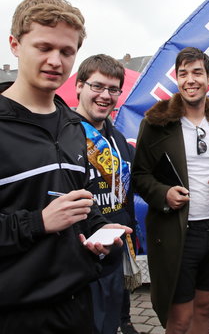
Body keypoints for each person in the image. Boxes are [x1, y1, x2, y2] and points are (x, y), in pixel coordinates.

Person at [0, 0, 130, 334]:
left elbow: (83, 204)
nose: (56, 61)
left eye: (67, 52)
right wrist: (38, 222)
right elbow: (44, 219)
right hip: (14, 314)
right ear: (15, 45)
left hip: (76, 307)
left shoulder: (74, 127)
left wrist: (103, 236)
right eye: (43, 47)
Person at [132, 47, 209, 333]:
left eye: (197, 73)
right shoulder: (156, 124)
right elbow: (140, 176)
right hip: (177, 234)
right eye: (183, 74)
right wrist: (164, 194)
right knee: (179, 319)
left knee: (204, 310)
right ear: (177, 79)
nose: (190, 80)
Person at [74, 54, 142, 334]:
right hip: (79, 257)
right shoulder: (63, 134)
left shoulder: (119, 141)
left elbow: (140, 181)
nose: (105, 96)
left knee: (110, 324)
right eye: (97, 86)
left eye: (113, 89)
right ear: (79, 86)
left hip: (114, 252)